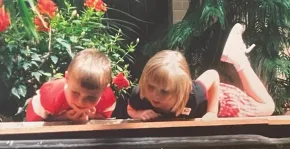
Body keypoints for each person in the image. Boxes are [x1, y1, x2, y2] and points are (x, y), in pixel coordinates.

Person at [127, 23, 275, 121]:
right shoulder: (142, 94)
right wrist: (138, 114)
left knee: (268, 107)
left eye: (164, 91)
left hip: (221, 101)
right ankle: (238, 57)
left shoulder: (194, 93)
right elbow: (130, 108)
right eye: (151, 87)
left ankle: (239, 59)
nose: (155, 95)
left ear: (180, 91)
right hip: (209, 100)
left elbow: (213, 75)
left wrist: (211, 112)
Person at [26, 48, 116, 122]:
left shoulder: (107, 100)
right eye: (75, 93)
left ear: (104, 90)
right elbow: (32, 125)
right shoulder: (48, 97)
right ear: (67, 78)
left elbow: (105, 118)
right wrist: (63, 117)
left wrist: (94, 116)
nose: (81, 102)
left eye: (91, 97)